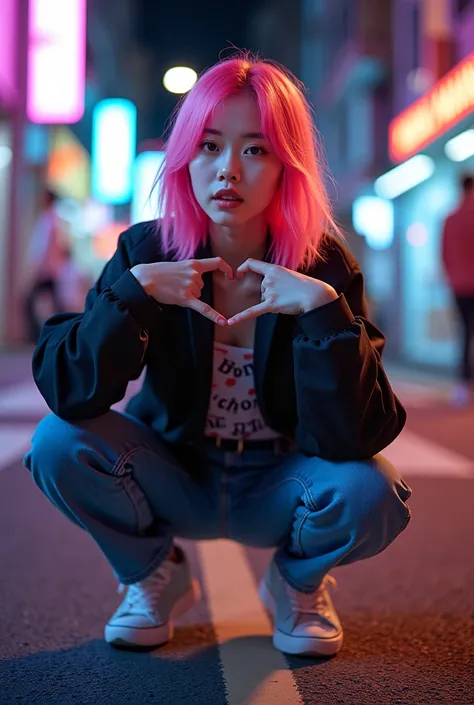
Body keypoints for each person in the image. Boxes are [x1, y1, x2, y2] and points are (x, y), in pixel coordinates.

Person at [24, 53, 412, 658]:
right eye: (209, 146)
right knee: (54, 443)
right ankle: (153, 573)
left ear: (288, 166)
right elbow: (70, 390)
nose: (228, 169)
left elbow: (354, 436)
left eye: (255, 150)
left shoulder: (324, 265)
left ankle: (296, 584)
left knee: (372, 492)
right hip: (178, 474)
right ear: (185, 158)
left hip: (280, 485)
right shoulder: (147, 250)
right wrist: (134, 297)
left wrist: (323, 315)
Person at [441, 174, 474, 406]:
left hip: (459, 286)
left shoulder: (450, 219)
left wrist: (452, 279)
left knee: (465, 333)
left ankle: (464, 385)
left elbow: (444, 255)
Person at [24, 189, 67, 343]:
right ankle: (53, 337)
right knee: (51, 304)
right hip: (50, 270)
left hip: (46, 271)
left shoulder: (49, 220)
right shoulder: (53, 219)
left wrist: (35, 270)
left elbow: (42, 249)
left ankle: (42, 337)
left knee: (33, 302)